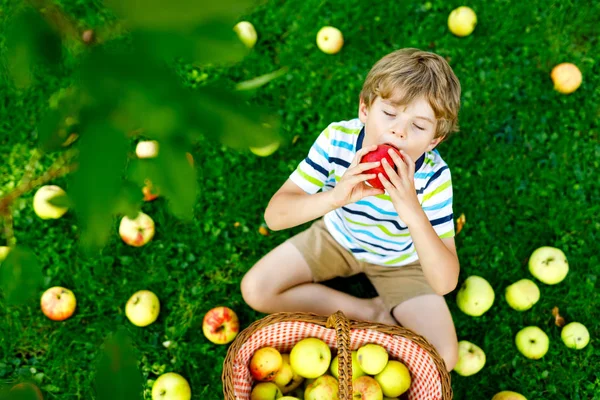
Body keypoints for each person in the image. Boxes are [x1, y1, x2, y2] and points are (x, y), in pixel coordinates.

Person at [241, 48, 461, 371]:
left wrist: (412, 209)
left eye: (418, 126)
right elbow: (274, 216)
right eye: (389, 114)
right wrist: (334, 197)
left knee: (444, 356)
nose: (399, 132)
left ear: (433, 141)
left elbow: (444, 281)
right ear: (364, 109)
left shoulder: (434, 177)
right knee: (256, 289)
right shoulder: (337, 141)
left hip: (402, 260)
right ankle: (368, 313)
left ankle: (379, 314)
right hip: (337, 238)